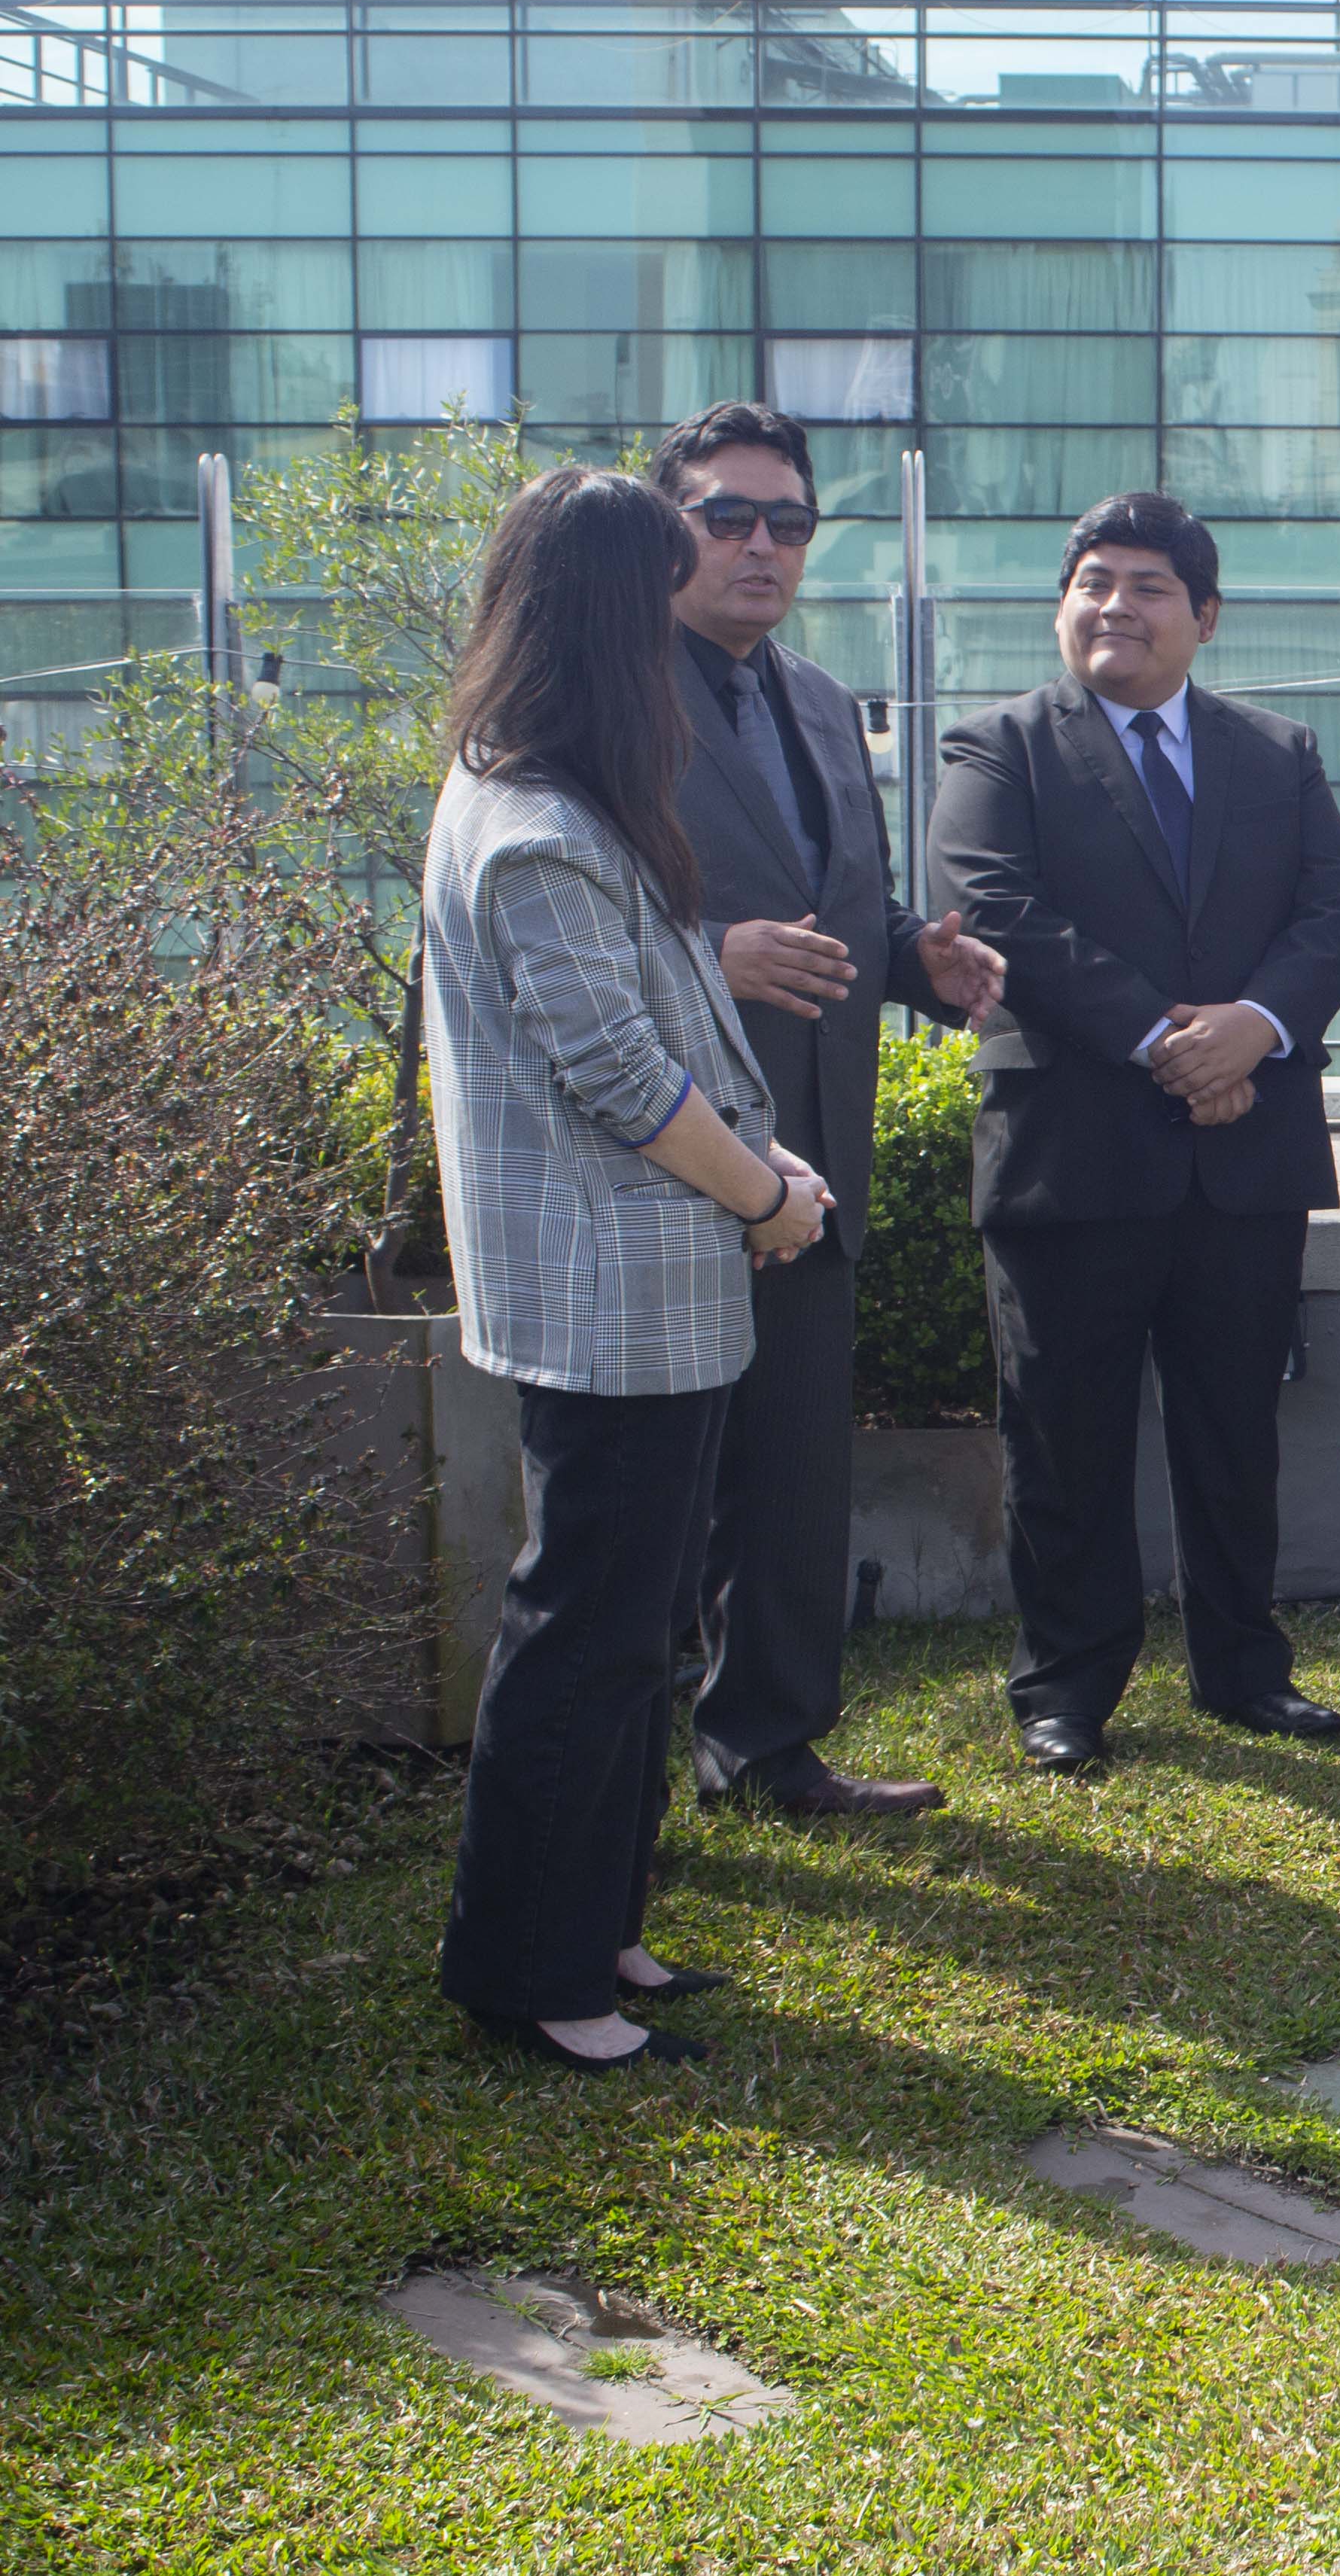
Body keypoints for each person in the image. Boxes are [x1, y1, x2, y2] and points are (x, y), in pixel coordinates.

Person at [424, 467, 833, 2072]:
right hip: (611, 1303)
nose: (696, 609)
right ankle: (531, 1974)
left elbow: (659, 1032)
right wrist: (766, 1193)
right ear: (609, 621)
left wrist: (766, 1175)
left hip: (650, 1297)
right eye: (667, 586)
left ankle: (596, 1927)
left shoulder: (564, 796)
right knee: (586, 1636)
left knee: (626, 1630)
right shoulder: (533, 824)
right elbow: (618, 1077)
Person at [928, 494, 1340, 1774]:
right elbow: (996, 910)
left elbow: (1334, 911)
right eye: (1093, 582)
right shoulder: (997, 747)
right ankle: (1066, 1686)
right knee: (1062, 1434)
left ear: (1205, 617)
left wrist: (1252, 1027)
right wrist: (1167, 1045)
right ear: (1062, 606)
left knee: (1234, 1429)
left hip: (1243, 1158)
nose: (1115, 605)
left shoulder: (1277, 752)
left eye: (1148, 586)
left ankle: (1244, 1668)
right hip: (1071, 1155)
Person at [649, 400, 1003, 1822]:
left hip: (810, 1159)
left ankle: (767, 1749)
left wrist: (919, 958)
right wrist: (710, 956)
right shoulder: (600, 693)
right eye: (727, 516)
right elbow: (552, 924)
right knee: (650, 1499)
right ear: (664, 527)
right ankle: (617, 1786)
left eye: (788, 522)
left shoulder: (813, 697)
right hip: (663, 1153)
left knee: (792, 1476)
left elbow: (840, 902)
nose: (762, 545)